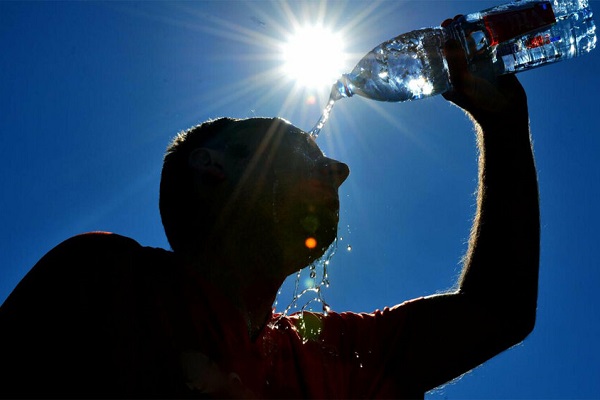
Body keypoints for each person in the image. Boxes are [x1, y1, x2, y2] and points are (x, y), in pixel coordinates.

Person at [0, 35, 539, 398]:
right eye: (302, 150)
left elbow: (497, 311)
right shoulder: (105, 280)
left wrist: (505, 129)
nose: (340, 169)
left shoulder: (320, 351)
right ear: (213, 168)